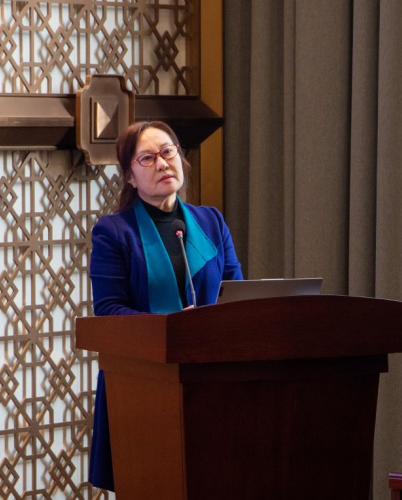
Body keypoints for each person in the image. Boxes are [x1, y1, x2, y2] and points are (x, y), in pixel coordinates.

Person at [88, 121, 244, 491]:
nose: (162, 163)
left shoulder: (211, 221)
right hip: (143, 382)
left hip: (214, 380)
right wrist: (172, 328)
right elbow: (108, 311)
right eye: (147, 158)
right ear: (129, 176)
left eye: (168, 151)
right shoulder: (114, 232)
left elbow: (236, 295)